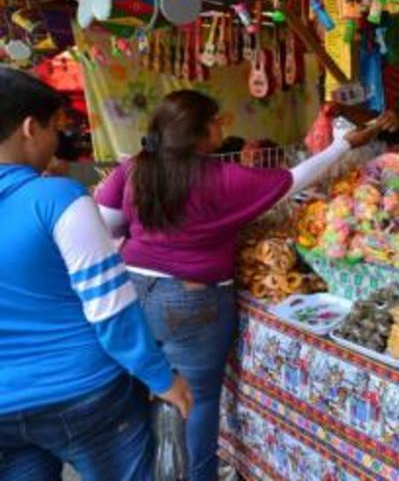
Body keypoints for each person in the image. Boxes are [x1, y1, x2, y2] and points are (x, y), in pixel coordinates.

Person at [94, 90, 373, 481]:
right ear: (200, 132)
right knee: (198, 398)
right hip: (192, 300)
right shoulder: (220, 177)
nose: (221, 128)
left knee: (145, 389)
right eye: (216, 121)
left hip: (134, 290)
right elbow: (294, 180)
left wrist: (149, 233)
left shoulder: (136, 167)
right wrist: (345, 144)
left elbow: (106, 223)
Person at [0, 68, 192, 480]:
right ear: (30, 128)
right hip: (83, 395)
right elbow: (111, 312)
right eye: (54, 128)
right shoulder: (57, 199)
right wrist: (162, 379)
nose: (57, 143)